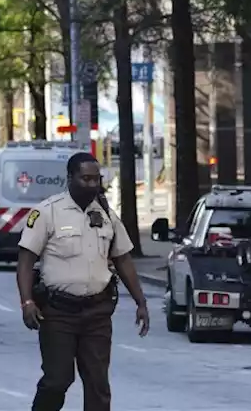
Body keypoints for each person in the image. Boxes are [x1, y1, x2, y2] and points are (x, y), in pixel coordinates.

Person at [16, 152, 151, 411]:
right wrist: (27, 301)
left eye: (96, 179)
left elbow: (123, 260)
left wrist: (140, 301)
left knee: (98, 384)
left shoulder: (107, 216)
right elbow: (25, 261)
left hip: (97, 312)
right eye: (85, 178)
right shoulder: (47, 212)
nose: (91, 185)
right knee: (58, 380)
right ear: (69, 178)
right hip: (57, 313)